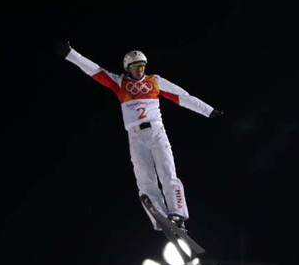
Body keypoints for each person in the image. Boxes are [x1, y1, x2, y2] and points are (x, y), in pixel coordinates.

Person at [57, 41, 222, 232]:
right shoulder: (120, 83)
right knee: (144, 178)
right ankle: (159, 218)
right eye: (136, 66)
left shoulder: (155, 81)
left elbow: (183, 96)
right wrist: (70, 53)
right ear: (128, 68)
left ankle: (178, 214)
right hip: (135, 136)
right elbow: (94, 70)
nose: (140, 69)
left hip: (156, 132)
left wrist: (208, 111)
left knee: (167, 172)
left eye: (142, 65)